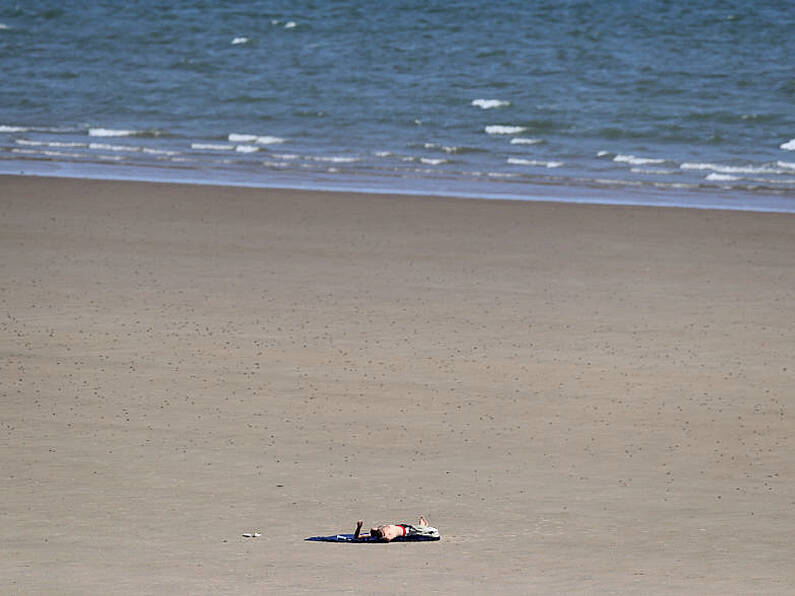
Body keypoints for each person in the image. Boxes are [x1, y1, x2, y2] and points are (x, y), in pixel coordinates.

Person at [354, 515, 440, 541]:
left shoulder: (381, 528)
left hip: (402, 526)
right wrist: (358, 528)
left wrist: (359, 527)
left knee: (420, 527)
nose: (374, 527)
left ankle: (423, 524)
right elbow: (357, 538)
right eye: (374, 529)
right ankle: (424, 525)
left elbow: (358, 536)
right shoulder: (388, 534)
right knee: (429, 530)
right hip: (408, 531)